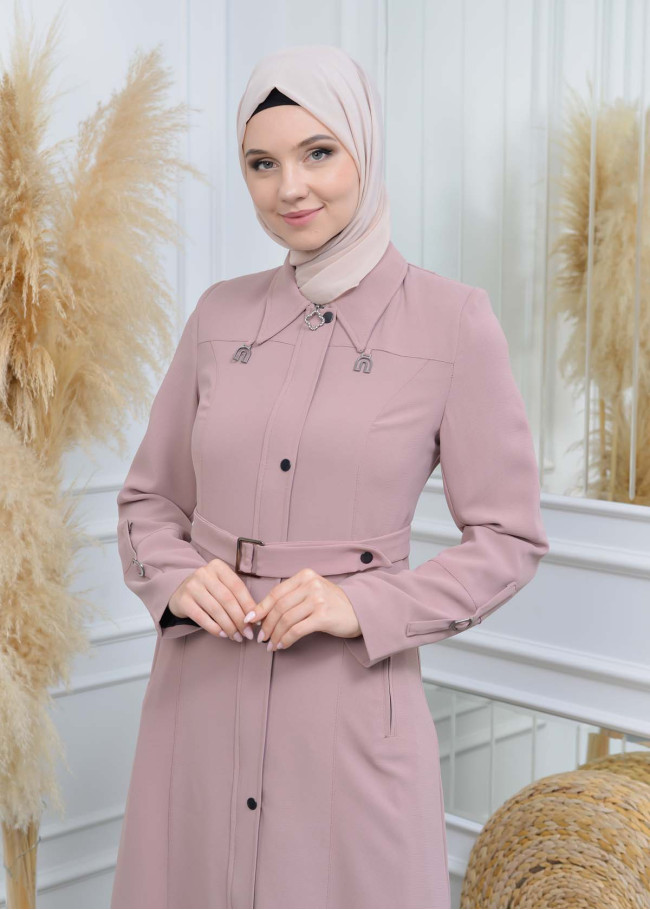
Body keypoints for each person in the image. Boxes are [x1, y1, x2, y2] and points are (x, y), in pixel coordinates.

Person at [110, 44, 549, 910]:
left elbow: (509, 538)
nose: (291, 188)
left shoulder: (452, 321)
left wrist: (364, 606)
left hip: (346, 714)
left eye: (318, 153)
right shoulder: (218, 315)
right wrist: (176, 575)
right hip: (198, 700)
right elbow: (148, 499)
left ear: (365, 148)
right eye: (261, 164)